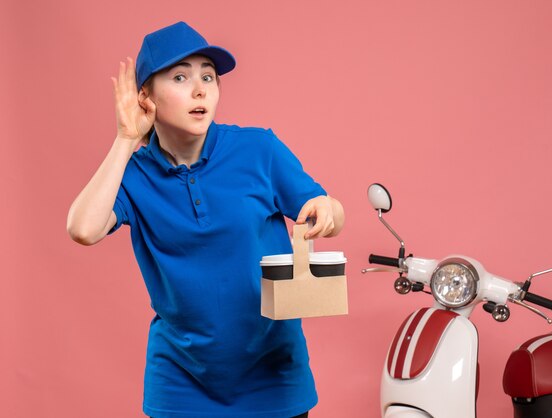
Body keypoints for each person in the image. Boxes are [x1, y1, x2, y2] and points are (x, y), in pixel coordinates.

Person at [66, 21, 345, 418]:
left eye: (208, 77)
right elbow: (82, 229)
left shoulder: (258, 149)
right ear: (145, 97)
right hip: (181, 381)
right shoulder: (134, 174)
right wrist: (126, 139)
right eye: (180, 77)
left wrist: (328, 212)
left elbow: (329, 207)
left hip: (274, 373)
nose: (200, 90)